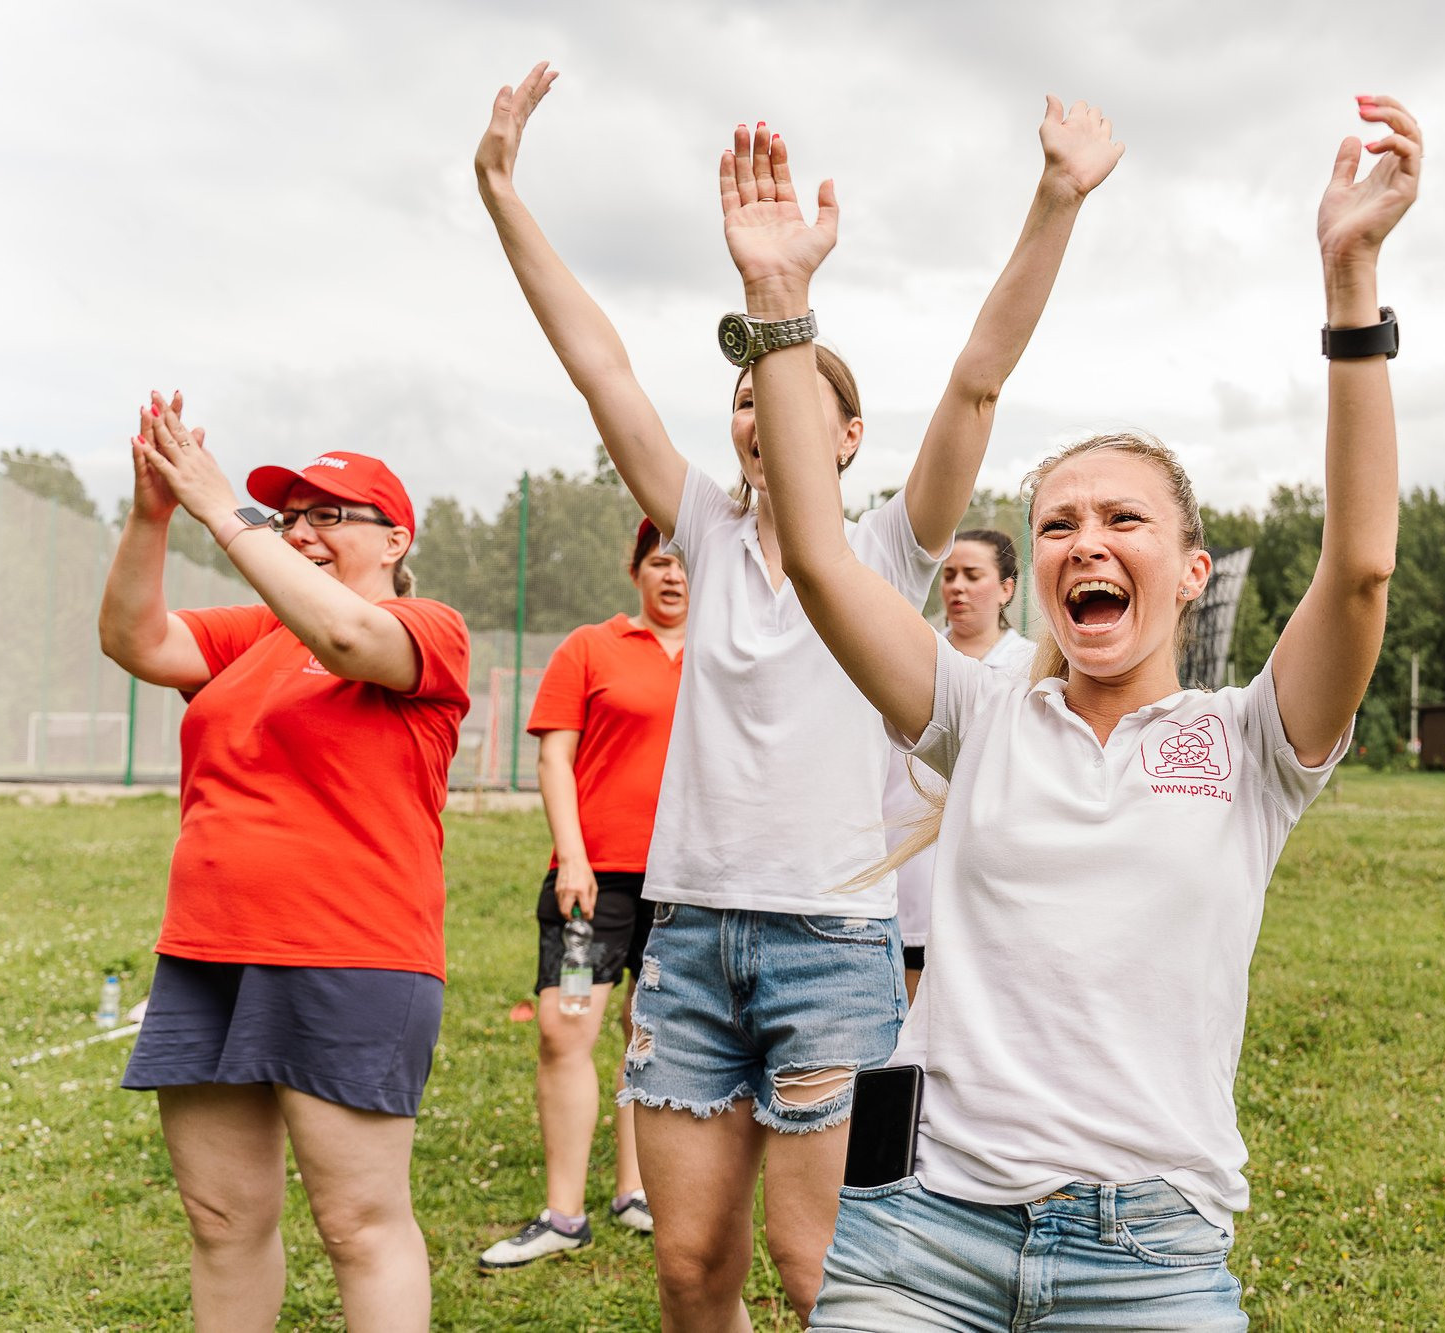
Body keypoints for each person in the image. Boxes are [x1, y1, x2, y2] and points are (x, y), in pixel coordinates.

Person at [736, 99, 1420, 1329]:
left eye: (1122, 519)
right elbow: (824, 561)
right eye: (1056, 522)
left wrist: (1349, 282)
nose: (1084, 541)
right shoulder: (982, 713)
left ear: (1190, 570)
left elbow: (1360, 568)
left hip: (1147, 1251)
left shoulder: (1251, 743)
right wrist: (782, 307)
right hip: (921, 1230)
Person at [475, 63, 1121, 1327]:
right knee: (688, 1267)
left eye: (783, 389)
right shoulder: (701, 533)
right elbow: (599, 366)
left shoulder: (886, 549)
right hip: (688, 944)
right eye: (740, 397)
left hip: (833, 952)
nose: (755, 411)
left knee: (819, 1270)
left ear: (845, 437)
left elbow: (976, 384)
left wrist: (1054, 200)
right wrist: (503, 192)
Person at [99, 394, 469, 1330]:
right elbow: (135, 640)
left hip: (351, 955)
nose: (300, 531)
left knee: (357, 1225)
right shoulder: (254, 634)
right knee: (221, 1219)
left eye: (328, 514)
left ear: (396, 539)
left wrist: (228, 512)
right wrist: (151, 516)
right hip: (207, 951)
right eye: (289, 515)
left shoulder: (427, 627)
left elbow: (345, 637)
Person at [480, 519, 688, 1269]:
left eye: (686, 563)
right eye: (659, 562)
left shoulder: (724, 655)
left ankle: (636, 1191)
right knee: (566, 1027)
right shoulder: (591, 647)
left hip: (687, 882)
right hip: (595, 879)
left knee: (651, 1034)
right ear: (636, 570)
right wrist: (573, 856)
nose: (674, 575)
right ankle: (563, 1214)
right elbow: (554, 758)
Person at [884, 530, 1037, 1000]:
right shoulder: (911, 659)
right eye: (949, 575)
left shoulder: (1034, 668)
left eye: (973, 575)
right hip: (905, 876)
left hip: (992, 882)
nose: (957, 587)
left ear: (1007, 588)